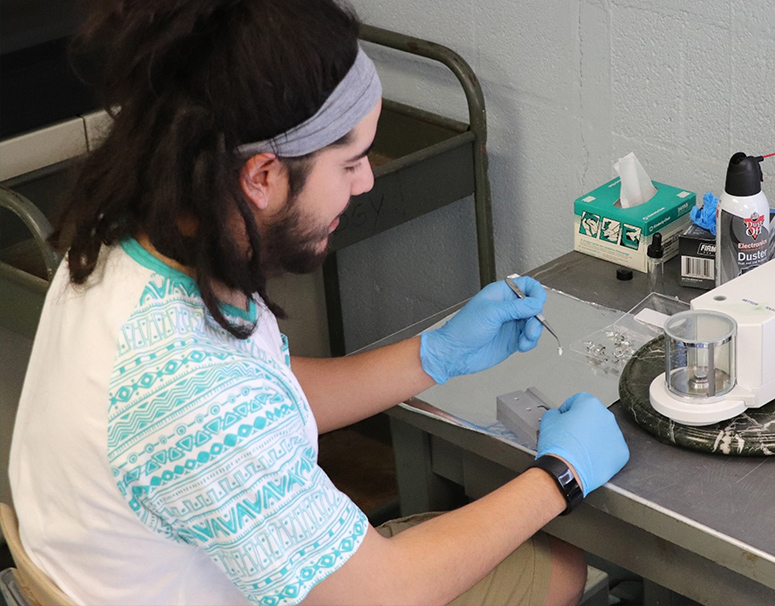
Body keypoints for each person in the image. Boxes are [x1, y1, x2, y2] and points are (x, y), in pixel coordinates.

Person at [8, 1, 630, 604]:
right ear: (262, 176)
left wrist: (434, 355)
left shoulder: (138, 238)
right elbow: (383, 591)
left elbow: (267, 393)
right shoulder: (195, 399)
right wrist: (562, 475)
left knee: (544, 565)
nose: (364, 182)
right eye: (351, 161)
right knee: (556, 565)